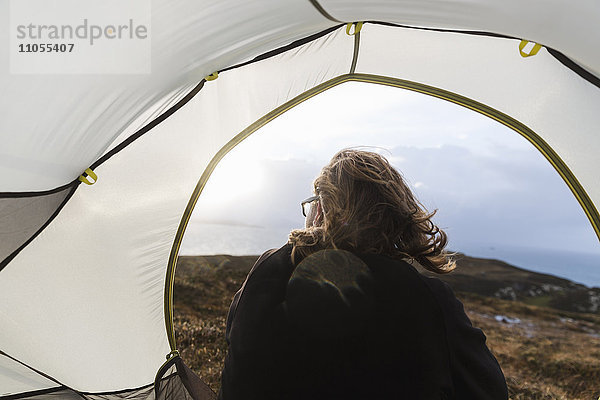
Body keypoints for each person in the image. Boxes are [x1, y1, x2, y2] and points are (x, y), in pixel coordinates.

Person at [218, 149, 508, 400]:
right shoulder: (427, 298)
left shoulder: (269, 271)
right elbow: (487, 391)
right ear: (394, 217)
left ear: (320, 211)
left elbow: (236, 370)